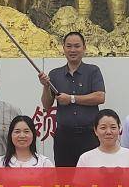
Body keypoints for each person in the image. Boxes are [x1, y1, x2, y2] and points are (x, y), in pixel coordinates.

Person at [39, 32, 106, 168]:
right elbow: (46, 105)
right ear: (63, 48)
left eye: (77, 46)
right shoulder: (55, 74)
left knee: (91, 175)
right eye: (69, 46)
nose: (73, 50)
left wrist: (71, 99)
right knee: (64, 176)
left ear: (84, 48)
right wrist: (46, 86)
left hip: (89, 134)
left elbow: (100, 97)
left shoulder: (93, 71)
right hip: (64, 136)